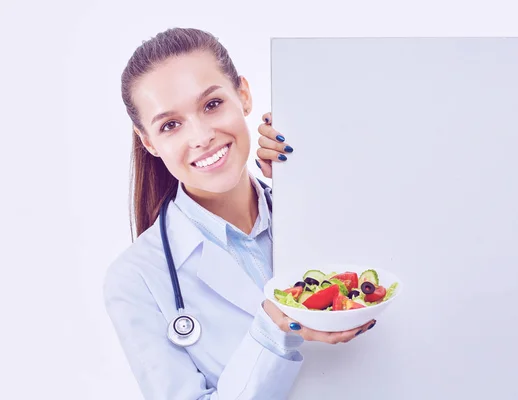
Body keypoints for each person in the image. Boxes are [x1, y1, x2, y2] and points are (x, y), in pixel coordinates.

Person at [103, 27, 376, 400]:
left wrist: (308, 184)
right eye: (170, 125)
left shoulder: (308, 210)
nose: (200, 136)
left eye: (212, 104)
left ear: (243, 95)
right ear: (148, 141)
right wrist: (271, 331)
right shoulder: (135, 279)